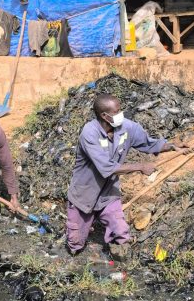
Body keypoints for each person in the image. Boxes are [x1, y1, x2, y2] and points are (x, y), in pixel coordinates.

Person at [65, 94, 183, 261]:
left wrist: (172, 146)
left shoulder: (126, 127)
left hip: (108, 191)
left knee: (120, 230)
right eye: (117, 111)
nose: (121, 114)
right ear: (104, 116)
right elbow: (106, 167)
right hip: (84, 193)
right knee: (75, 242)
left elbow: (149, 143)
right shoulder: (89, 133)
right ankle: (73, 263)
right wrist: (141, 167)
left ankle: (120, 261)